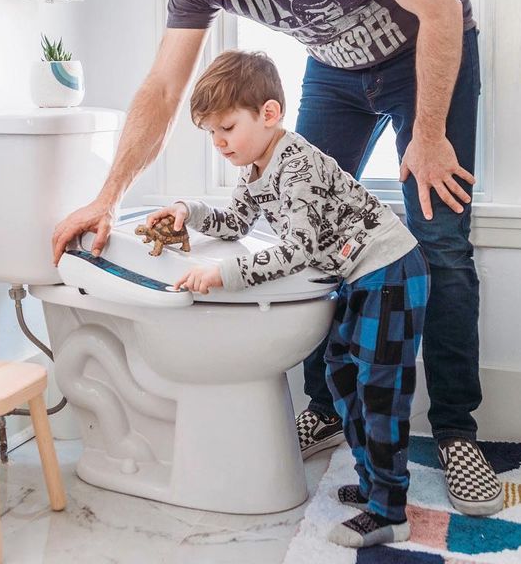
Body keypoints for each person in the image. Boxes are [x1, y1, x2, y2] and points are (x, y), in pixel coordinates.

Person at [51, 0, 503, 516]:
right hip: (336, 70)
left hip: (426, 56)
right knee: (298, 227)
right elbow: (164, 85)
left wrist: (428, 135)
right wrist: (107, 196)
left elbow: (439, 12)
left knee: (439, 239)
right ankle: (324, 406)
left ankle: (458, 433)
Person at [151, 49, 426, 547]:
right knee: (344, 378)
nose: (219, 143)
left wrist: (223, 274)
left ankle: (390, 510)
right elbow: (235, 222)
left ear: (269, 114)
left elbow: (297, 249)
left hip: (389, 271)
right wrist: (186, 210)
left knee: (378, 391)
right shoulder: (257, 168)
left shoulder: (296, 165)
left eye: (227, 128)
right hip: (360, 278)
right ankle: (372, 485)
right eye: (211, 133)